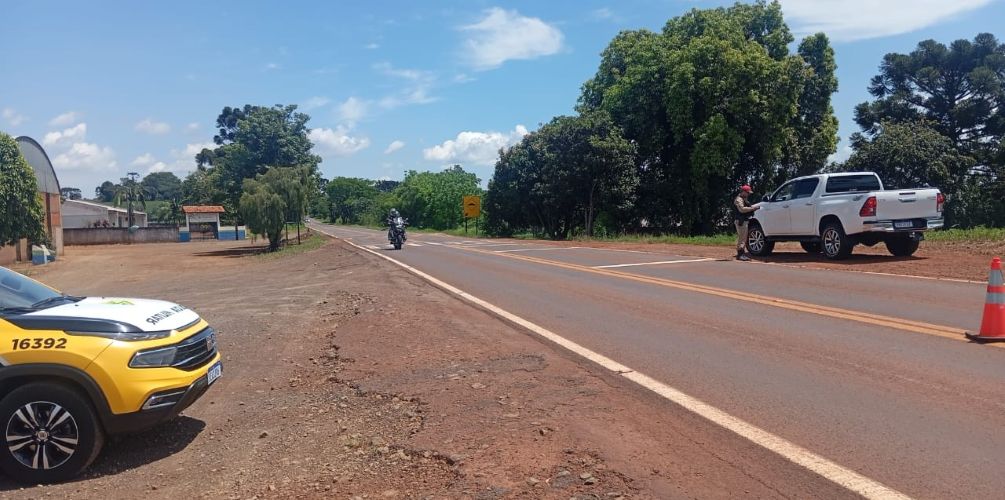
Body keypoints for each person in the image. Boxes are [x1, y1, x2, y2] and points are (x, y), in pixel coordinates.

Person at [732, 185, 760, 261]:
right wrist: (752, 208)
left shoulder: (743, 199)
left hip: (744, 221)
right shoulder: (739, 199)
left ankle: (741, 253)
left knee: (743, 237)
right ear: (743, 192)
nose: (748, 194)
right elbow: (742, 209)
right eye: (747, 192)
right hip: (741, 221)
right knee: (742, 238)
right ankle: (740, 254)